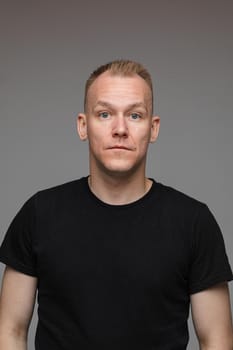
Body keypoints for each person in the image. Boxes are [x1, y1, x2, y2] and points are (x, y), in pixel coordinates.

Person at [0, 59, 232, 350]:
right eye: (105, 114)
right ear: (83, 125)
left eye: (135, 115)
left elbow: (217, 341)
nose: (120, 129)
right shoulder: (38, 214)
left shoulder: (194, 222)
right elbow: (10, 331)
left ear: (153, 127)